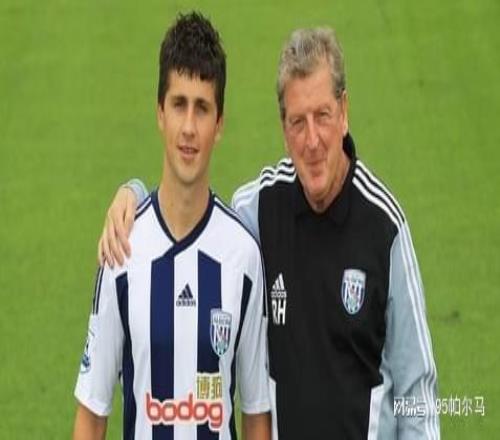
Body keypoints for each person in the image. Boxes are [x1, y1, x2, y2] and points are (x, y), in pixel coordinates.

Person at [98, 27, 440, 439]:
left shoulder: (385, 227)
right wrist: (133, 195)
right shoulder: (258, 210)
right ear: (283, 127)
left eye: (322, 116)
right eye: (298, 122)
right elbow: (193, 216)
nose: (312, 140)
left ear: (344, 111)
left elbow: (417, 391)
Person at [73, 12, 271, 440]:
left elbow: (257, 416)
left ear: (219, 123)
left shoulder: (243, 256)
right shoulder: (121, 250)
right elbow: (91, 415)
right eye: (179, 104)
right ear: (159, 112)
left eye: (202, 108)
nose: (189, 128)